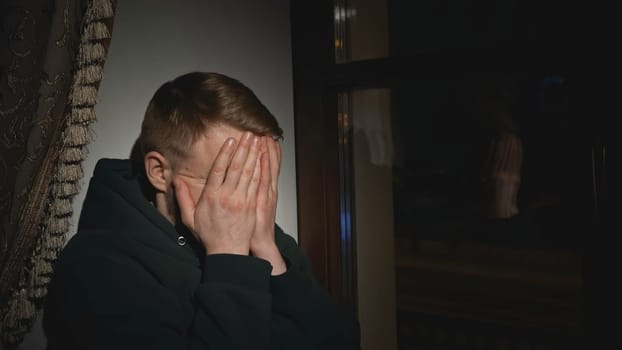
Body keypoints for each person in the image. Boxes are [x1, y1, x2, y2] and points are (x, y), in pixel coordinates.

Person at [43, 72, 361, 350]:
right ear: (158, 171)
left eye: (256, 178)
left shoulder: (264, 238)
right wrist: (229, 255)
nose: (245, 202)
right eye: (228, 177)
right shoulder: (96, 269)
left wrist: (268, 251)